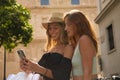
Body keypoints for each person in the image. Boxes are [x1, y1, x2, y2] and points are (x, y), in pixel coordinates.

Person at [20, 12, 74, 80]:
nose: (52, 31)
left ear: (63, 29)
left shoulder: (68, 48)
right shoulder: (51, 49)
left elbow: (63, 76)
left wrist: (38, 68)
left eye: (55, 28)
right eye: (50, 29)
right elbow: (39, 73)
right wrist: (28, 68)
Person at [64, 10, 98, 80]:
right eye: (65, 25)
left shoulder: (84, 39)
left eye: (69, 24)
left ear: (78, 24)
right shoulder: (77, 43)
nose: (66, 28)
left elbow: (88, 72)